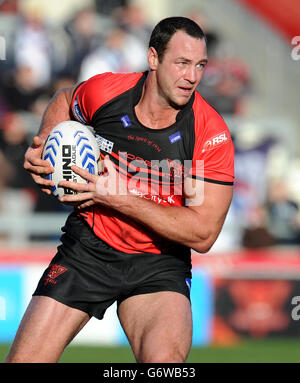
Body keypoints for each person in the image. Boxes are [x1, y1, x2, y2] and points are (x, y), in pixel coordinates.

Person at [5, 16, 234, 363]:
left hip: (158, 263)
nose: (192, 77)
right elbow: (66, 98)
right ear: (153, 58)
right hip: (88, 251)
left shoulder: (210, 132)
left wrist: (120, 197)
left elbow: (203, 234)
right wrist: (46, 139)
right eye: (182, 63)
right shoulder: (106, 92)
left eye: (200, 65)